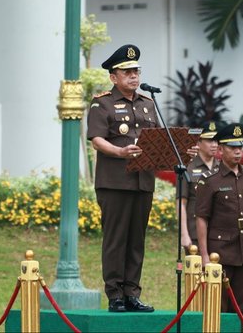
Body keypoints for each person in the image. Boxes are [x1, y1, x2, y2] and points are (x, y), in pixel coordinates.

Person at [86, 44, 157, 313]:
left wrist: (182, 150)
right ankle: (115, 294)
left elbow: (158, 140)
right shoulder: (102, 102)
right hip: (115, 182)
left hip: (143, 181)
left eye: (136, 71)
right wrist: (119, 151)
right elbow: (97, 140)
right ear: (113, 77)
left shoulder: (149, 104)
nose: (134, 76)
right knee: (116, 239)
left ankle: (132, 293)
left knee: (136, 240)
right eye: (127, 72)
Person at [195, 123, 243, 325]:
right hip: (221, 251)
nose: (237, 151)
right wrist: (204, 255)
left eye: (240, 147)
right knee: (220, 304)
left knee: (242, 304)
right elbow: (201, 218)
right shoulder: (210, 180)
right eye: (232, 147)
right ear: (220, 149)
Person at [178, 121, 219, 251]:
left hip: (218, 233)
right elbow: (181, 203)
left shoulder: (222, 167)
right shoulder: (187, 167)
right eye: (209, 140)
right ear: (198, 142)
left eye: (216, 141)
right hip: (194, 232)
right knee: (195, 271)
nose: (214, 145)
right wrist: (184, 234)